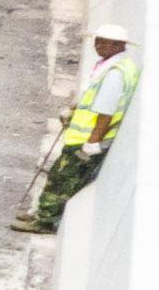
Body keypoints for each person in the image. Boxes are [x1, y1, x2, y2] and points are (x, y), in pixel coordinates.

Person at [23, 26, 139, 233]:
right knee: (61, 177)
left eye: (102, 42)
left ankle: (45, 222)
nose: (97, 45)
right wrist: (74, 110)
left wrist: (92, 143)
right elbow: (93, 97)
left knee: (62, 179)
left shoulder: (115, 74)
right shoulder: (116, 65)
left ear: (118, 45)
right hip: (83, 136)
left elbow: (106, 113)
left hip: (86, 140)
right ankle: (42, 215)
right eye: (97, 40)